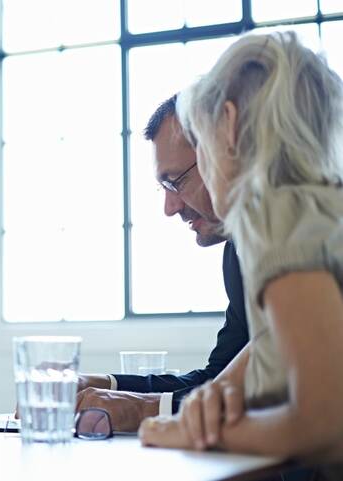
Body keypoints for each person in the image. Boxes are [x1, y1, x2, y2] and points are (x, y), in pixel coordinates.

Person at [139, 32, 343, 477]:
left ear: (228, 126)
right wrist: (214, 399)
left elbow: (326, 426)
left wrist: (185, 431)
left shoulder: (277, 214)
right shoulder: (327, 213)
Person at [72, 95, 249, 432]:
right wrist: (106, 385)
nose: (169, 208)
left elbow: (279, 388)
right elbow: (219, 378)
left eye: (176, 181)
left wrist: (144, 409)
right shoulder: (237, 253)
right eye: (163, 187)